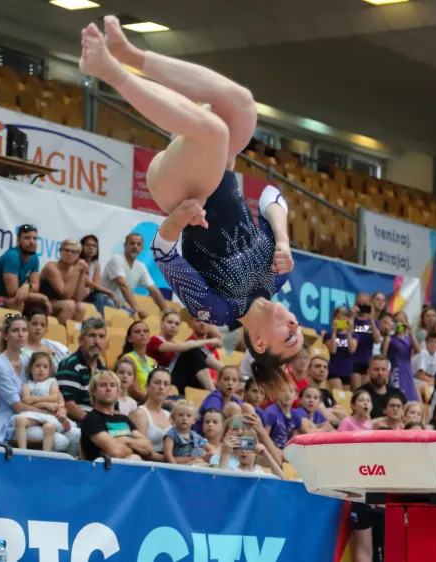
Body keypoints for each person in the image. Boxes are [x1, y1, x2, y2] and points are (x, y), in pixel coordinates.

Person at [80, 18, 298, 383]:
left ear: (259, 344)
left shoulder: (215, 309)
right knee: (242, 105)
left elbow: (163, 250)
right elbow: (271, 197)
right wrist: (283, 238)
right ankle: (130, 54)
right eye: (297, 329)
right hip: (218, 168)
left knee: (215, 130)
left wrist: (180, 219)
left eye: (288, 337)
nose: (294, 324)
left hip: (178, 188)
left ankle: (110, 71)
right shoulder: (278, 277)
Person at [0, 316, 75, 452]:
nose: (21, 334)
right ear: (5, 335)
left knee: (76, 435)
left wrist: (61, 407)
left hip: (39, 416)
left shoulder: (28, 359)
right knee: (62, 442)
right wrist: (47, 413)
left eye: (24, 330)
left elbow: (51, 384)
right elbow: (17, 407)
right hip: (13, 422)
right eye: (15, 330)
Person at [0, 224, 50, 312]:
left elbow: (35, 287)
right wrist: (43, 298)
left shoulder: (34, 258)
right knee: (18, 302)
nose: (31, 242)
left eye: (34, 238)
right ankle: (11, 325)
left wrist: (27, 285)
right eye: (27, 238)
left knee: (38, 307)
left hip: (2, 299)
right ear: (18, 241)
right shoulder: (12, 256)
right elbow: (13, 293)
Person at [80, 369, 154, 461]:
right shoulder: (91, 419)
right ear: (93, 392)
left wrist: (125, 440)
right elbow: (116, 452)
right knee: (135, 457)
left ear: (118, 392)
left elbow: (148, 448)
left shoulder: (124, 419)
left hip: (129, 468)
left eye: (112, 385)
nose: (108, 389)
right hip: (104, 471)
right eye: (103, 385)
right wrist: (135, 447)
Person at [148, 310, 222, 392]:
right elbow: (179, 347)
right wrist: (209, 341)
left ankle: (225, 370)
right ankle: (213, 392)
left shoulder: (177, 343)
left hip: (181, 379)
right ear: (162, 323)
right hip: (163, 378)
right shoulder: (154, 340)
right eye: (169, 322)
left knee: (194, 349)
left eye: (177, 324)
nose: (173, 326)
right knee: (192, 348)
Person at [99, 232, 170, 318]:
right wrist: (137, 308)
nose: (135, 247)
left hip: (118, 306)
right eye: (132, 243)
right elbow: (123, 286)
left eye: (138, 244)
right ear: (125, 245)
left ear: (142, 248)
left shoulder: (141, 266)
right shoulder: (117, 260)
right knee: (130, 315)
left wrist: (166, 311)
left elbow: (153, 290)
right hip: (103, 302)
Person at [55, 317, 107, 424]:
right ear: (80, 341)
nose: (97, 341)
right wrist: (96, 424)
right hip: (78, 424)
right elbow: (68, 404)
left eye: (101, 336)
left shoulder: (105, 371)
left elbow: (113, 405)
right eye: (92, 336)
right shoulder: (70, 365)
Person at [14, 352, 66, 451]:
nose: (41, 369)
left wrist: (34, 399)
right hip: (33, 414)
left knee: (49, 427)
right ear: (30, 369)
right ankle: (22, 452)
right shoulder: (27, 385)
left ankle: (46, 455)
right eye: (37, 366)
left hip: (48, 415)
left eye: (45, 367)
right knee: (19, 420)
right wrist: (45, 404)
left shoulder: (52, 382)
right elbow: (25, 401)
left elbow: (54, 397)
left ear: (50, 370)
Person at [128, 367, 172, 461]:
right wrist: (172, 460)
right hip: (149, 467)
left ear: (169, 389)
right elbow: (141, 450)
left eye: (166, 384)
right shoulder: (141, 413)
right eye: (157, 382)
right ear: (147, 386)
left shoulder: (169, 415)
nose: (161, 387)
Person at [39, 239, 88, 324]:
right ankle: (58, 334)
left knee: (81, 307)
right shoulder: (51, 267)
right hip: (43, 303)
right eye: (67, 250)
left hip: (60, 304)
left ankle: (73, 335)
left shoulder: (75, 270)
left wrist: (83, 273)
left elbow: (78, 299)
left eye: (74, 252)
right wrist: (76, 271)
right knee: (69, 305)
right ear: (60, 251)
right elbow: (65, 295)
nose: (70, 254)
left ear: (78, 256)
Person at [79, 234, 118, 315]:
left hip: (89, 294)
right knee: (100, 297)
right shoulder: (78, 262)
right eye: (87, 245)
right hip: (77, 294)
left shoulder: (96, 263)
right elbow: (88, 282)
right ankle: (97, 324)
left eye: (94, 246)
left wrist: (90, 289)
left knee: (116, 310)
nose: (91, 248)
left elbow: (95, 285)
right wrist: (111, 292)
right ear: (81, 247)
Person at [350, 293, 382, 389]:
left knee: (365, 391)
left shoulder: (375, 322)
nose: (363, 307)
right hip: (353, 360)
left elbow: (377, 340)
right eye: (360, 304)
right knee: (356, 391)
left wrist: (371, 319)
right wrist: (351, 316)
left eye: (366, 304)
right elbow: (344, 331)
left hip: (366, 361)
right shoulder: (351, 319)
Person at [163, 399, 208, 465]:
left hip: (192, 465)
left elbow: (209, 448)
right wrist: (174, 467)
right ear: (173, 418)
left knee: (204, 462)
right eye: (181, 415)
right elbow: (168, 455)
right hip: (177, 466)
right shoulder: (172, 434)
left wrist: (209, 455)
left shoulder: (195, 436)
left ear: (194, 420)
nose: (184, 418)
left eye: (188, 416)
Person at [121, 320, 158, 401]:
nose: (142, 334)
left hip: (153, 401)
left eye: (145, 331)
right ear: (129, 339)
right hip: (136, 402)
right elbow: (134, 392)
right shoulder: (128, 359)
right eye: (137, 331)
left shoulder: (154, 362)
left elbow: (158, 385)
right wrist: (157, 400)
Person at [324, 306, 357, 391]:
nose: (341, 321)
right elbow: (333, 350)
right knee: (338, 397)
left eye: (344, 319)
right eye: (338, 318)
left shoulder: (354, 336)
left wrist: (349, 332)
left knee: (345, 400)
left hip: (347, 372)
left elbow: (351, 350)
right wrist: (334, 332)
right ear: (333, 319)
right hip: (333, 370)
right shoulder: (328, 335)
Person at [262, 382, 303, 449]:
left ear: (296, 396)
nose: (287, 394)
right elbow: (264, 438)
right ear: (277, 394)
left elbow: (294, 440)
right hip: (271, 450)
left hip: (287, 451)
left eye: (291, 391)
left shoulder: (296, 415)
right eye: (283, 391)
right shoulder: (271, 412)